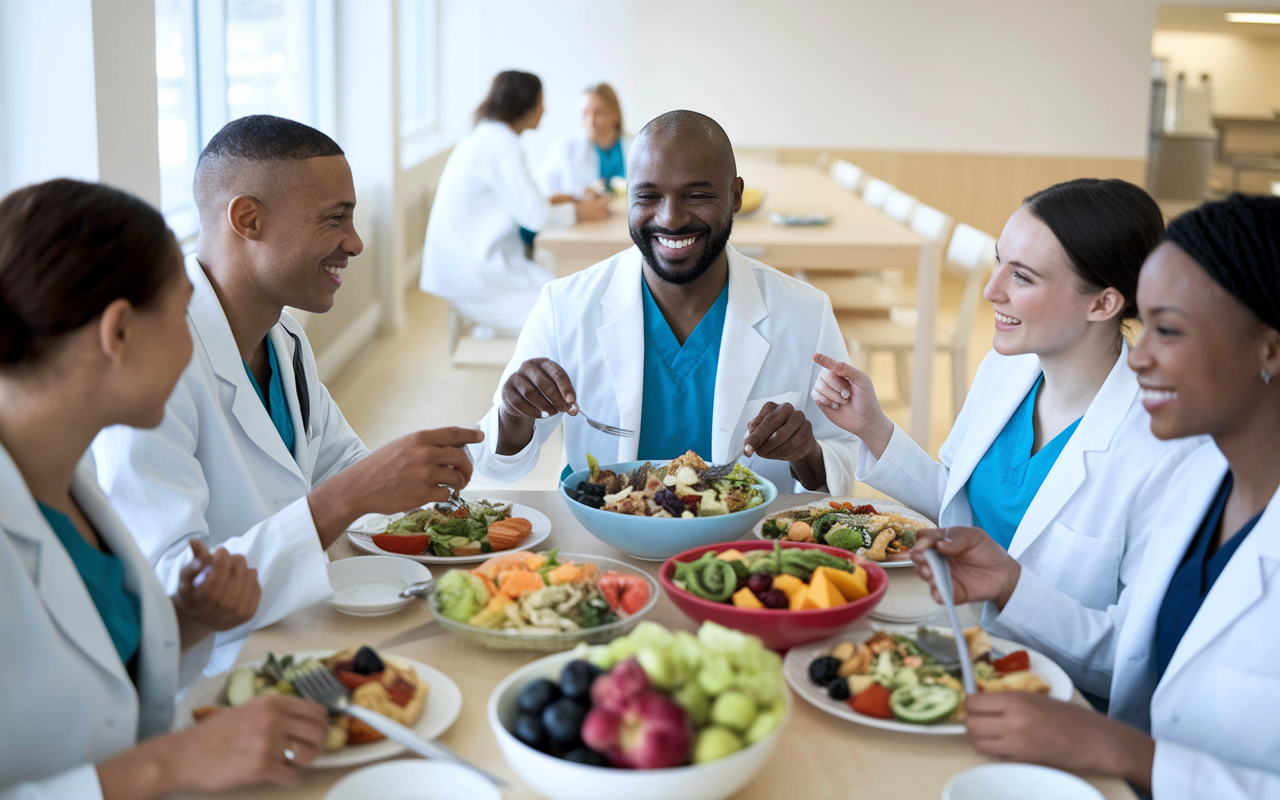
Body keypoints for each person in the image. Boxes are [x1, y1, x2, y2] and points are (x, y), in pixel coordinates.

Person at [909, 194, 1280, 799]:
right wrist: (1009, 581)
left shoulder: (1176, 462)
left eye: (1170, 330)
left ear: (1269, 348)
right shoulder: (1207, 484)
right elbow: (1130, 655)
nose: (1142, 357)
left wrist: (1120, 748)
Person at [92, 115, 484, 675]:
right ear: (248, 219)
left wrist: (435, 479)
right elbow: (170, 592)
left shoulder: (283, 336)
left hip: (296, 628)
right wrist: (348, 497)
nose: (355, 242)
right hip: (214, 673)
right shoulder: (152, 369)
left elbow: (341, 466)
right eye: (334, 219)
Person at [0, 179, 331, 799]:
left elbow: (105, 680)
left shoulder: (65, 485)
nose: (196, 342)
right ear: (119, 332)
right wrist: (169, 766)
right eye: (182, 315)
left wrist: (186, 618)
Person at [811, 180, 1201, 697]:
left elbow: (1133, 658)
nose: (992, 290)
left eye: (1021, 276)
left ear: (1103, 303)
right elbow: (959, 507)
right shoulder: (1007, 370)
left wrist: (1013, 589)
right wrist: (873, 428)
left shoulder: (1168, 450)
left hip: (1056, 701)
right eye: (998, 263)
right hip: (963, 644)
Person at [471, 110, 856, 491]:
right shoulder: (564, 306)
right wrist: (513, 413)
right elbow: (496, 463)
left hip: (745, 547)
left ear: (735, 196)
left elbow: (845, 458)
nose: (671, 219)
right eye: (648, 196)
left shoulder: (806, 312)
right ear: (627, 199)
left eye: (698, 194)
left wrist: (806, 452)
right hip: (604, 539)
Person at [419, 71, 610, 331]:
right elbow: (536, 216)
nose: (545, 109)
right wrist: (582, 211)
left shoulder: (489, 137)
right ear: (526, 105)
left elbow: (521, 201)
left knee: (562, 294)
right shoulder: (500, 144)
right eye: (541, 101)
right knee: (565, 309)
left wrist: (568, 199)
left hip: (469, 264)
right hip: (476, 273)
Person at [538, 82, 631, 199]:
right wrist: (581, 193)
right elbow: (543, 191)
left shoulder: (636, 145)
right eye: (585, 113)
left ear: (615, 113)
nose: (590, 121)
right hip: (588, 216)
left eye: (598, 113)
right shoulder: (565, 147)